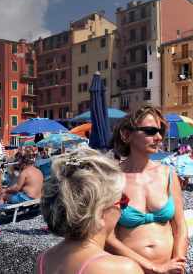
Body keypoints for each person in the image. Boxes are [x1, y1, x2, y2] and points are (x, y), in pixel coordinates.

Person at [106, 105, 187, 273]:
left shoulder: (168, 175)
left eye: (160, 131)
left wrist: (178, 262)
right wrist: (154, 267)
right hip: (129, 270)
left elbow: (180, 227)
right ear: (127, 135)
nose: (158, 137)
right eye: (150, 131)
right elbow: (107, 236)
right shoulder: (112, 178)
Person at [37, 148, 142, 274]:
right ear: (101, 213)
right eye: (123, 201)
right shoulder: (122, 269)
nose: (123, 210)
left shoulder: (43, 260)